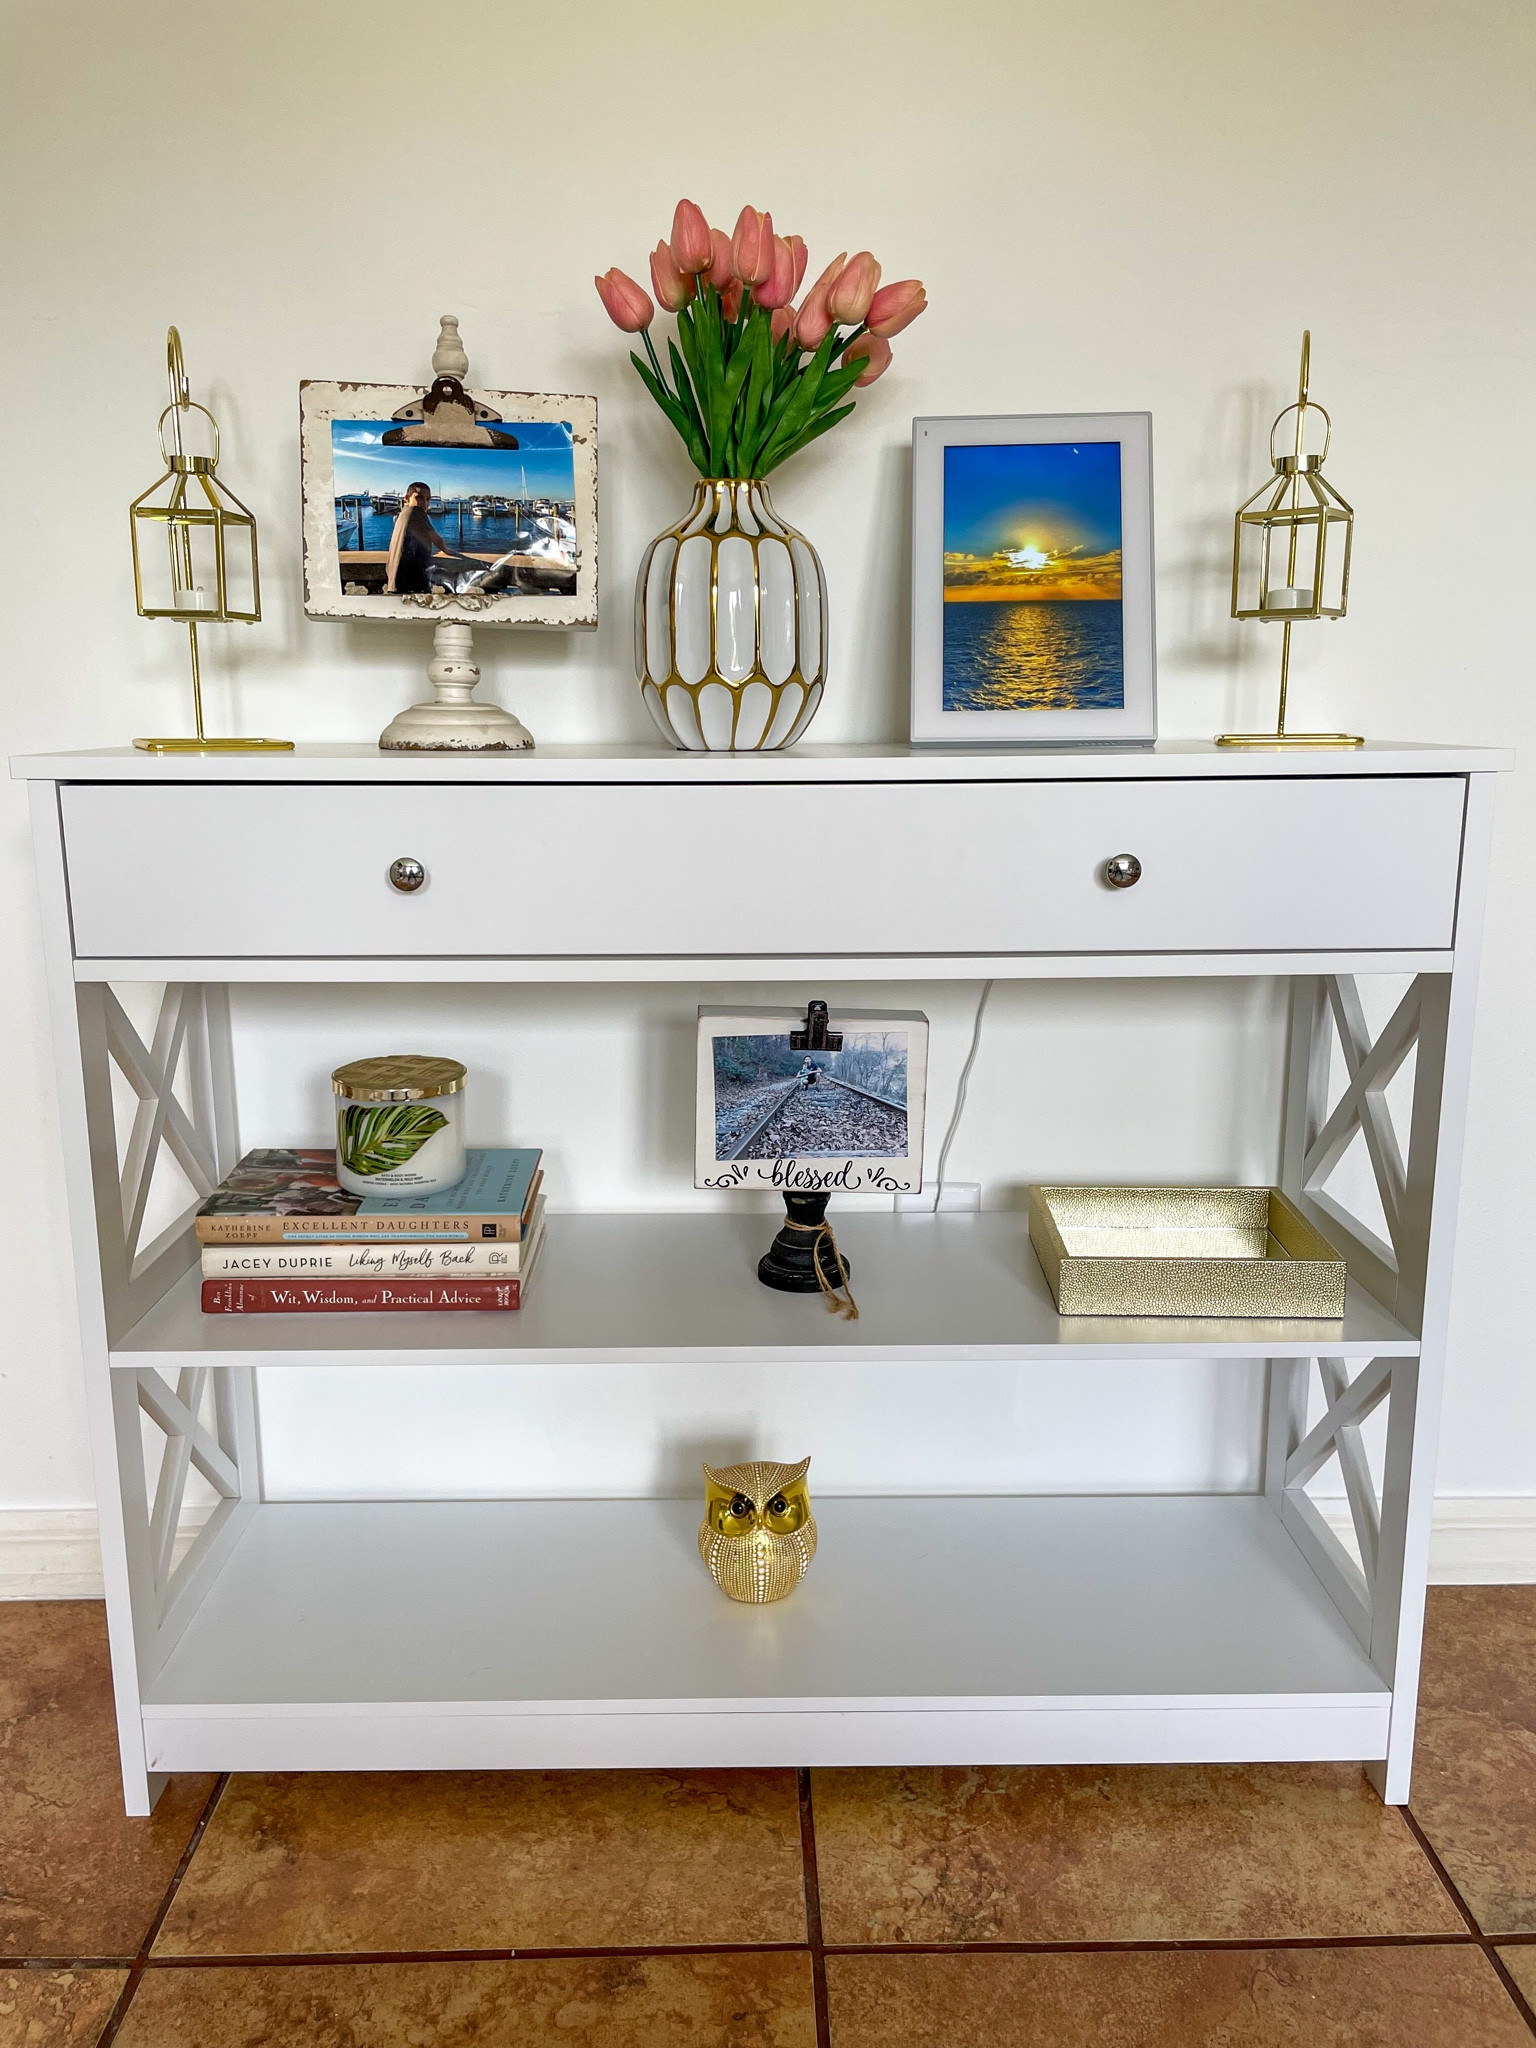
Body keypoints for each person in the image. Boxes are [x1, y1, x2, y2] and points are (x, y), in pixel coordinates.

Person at [384, 481, 449, 594]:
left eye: (428, 499)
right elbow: (436, 539)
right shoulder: (416, 511)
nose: (424, 502)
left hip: (395, 580)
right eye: (419, 498)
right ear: (407, 498)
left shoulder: (402, 513)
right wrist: (447, 551)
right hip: (410, 582)